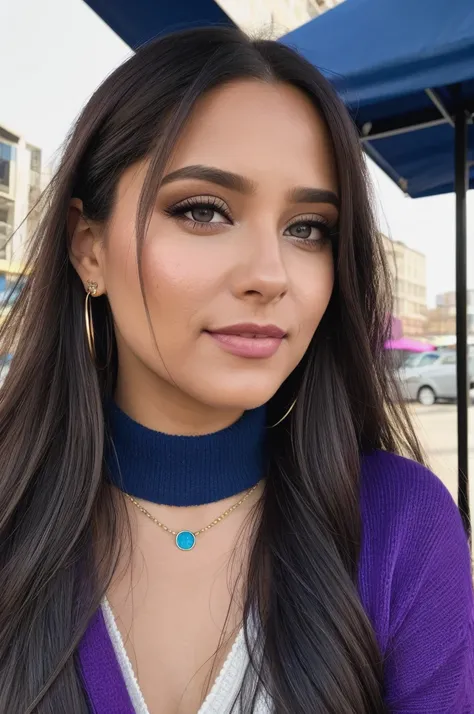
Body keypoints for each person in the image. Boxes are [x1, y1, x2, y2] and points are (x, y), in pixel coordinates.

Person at [0, 26, 472, 714]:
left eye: (308, 227)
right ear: (88, 245)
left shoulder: (401, 529)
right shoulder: (15, 510)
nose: (269, 275)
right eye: (203, 210)